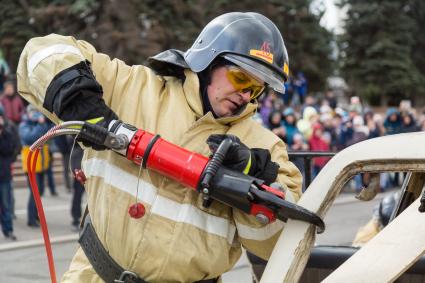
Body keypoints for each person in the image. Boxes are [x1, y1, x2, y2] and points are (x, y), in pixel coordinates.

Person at [17, 12, 302, 282]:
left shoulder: (264, 147)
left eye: (256, 90)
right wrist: (79, 100)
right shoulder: (132, 88)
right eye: (241, 78)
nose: (245, 95)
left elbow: (281, 244)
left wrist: (252, 182)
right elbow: (41, 52)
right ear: (209, 61)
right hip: (95, 275)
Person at [19, 105, 50, 227]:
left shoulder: (40, 124)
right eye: (33, 112)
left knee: (40, 191)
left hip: (41, 164)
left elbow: (49, 133)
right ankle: (31, 219)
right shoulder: (24, 125)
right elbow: (30, 138)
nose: (36, 114)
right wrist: (41, 125)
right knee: (34, 193)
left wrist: (43, 123)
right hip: (31, 166)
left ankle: (36, 216)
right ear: (28, 113)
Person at [0, 110, 17, 240]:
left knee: (6, 204)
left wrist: (2, 133)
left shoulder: (8, 131)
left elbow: (9, 149)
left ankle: (8, 230)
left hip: (4, 175)